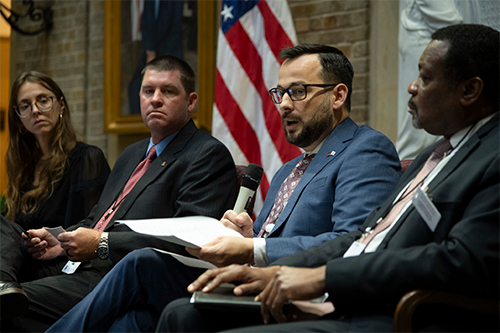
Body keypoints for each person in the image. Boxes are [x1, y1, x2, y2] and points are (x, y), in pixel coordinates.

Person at [157, 24, 499, 333]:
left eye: (424, 77)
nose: (411, 86)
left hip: (386, 310)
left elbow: (462, 260)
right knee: (179, 314)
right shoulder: (435, 154)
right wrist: (265, 259)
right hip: (337, 291)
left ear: (470, 90)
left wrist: (313, 276)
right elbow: (367, 235)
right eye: (281, 93)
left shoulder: (487, 155)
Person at [47, 44, 401, 332]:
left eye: (298, 91)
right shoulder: (288, 169)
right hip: (250, 279)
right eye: (280, 93)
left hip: (300, 290)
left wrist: (253, 249)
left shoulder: (365, 149)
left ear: (338, 95)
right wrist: (249, 235)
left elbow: (356, 242)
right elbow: (266, 241)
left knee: (142, 264)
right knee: (133, 321)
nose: (285, 104)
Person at [0, 55, 238, 330]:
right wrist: (59, 238)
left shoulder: (207, 154)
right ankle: (3, 282)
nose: (156, 99)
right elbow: (95, 221)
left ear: (191, 101)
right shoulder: (132, 154)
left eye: (168, 91)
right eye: (148, 91)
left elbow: (189, 242)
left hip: (115, 275)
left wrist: (102, 244)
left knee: (13, 309)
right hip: (75, 264)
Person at [2, 71, 110, 231]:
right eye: (25, 106)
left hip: (65, 255)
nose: (35, 110)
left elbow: (92, 229)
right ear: (19, 117)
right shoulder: (24, 166)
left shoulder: (87, 158)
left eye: (43, 101)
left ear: (61, 105)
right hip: (20, 255)